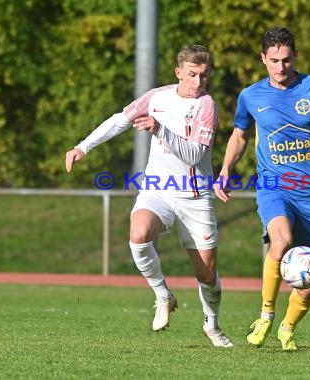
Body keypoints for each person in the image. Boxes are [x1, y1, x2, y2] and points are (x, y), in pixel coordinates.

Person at [65, 45, 233, 346]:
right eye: (192, 75)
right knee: (139, 233)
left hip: (194, 197)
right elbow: (121, 119)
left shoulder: (207, 105)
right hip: (157, 188)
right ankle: (163, 295)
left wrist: (160, 130)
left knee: (206, 274)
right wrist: (83, 147)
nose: (198, 82)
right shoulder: (157, 97)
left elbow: (194, 155)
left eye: (204, 75)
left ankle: (212, 325)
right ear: (178, 72)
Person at [213, 27, 310, 350]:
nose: (281, 67)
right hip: (274, 185)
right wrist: (224, 172)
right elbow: (239, 136)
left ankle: (287, 328)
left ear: (296, 57)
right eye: (274, 60)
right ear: (263, 58)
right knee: (282, 241)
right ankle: (265, 314)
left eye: (287, 59)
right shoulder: (250, 96)